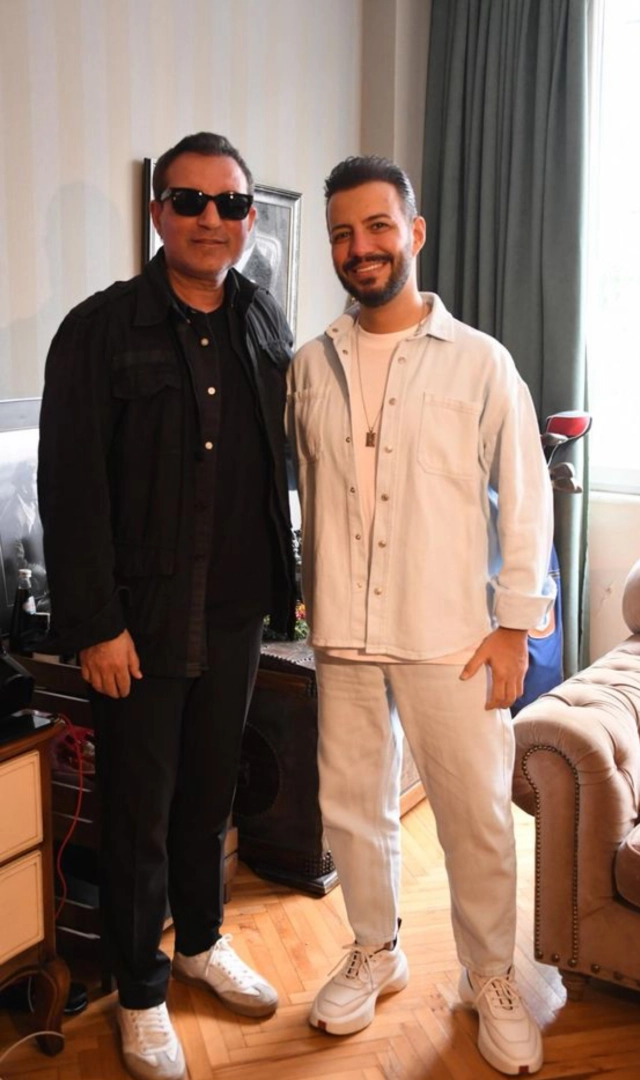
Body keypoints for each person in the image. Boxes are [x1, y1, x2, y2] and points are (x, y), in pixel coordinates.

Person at [287, 156, 555, 1077]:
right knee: (351, 808)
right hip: (344, 635)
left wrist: (516, 625)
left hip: (455, 637)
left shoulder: (481, 362)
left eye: (376, 226)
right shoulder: (308, 366)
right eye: (341, 233)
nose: (358, 247)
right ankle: (376, 948)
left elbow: (526, 497)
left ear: (415, 232)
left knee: (475, 816)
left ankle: (491, 975)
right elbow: (308, 492)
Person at [38, 132, 296, 1080]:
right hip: (138, 624)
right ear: (158, 213)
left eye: (230, 204)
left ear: (248, 218)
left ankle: (200, 944)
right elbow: (71, 489)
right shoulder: (100, 329)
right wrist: (96, 624)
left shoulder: (262, 320)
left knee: (209, 795)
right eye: (189, 201)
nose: (210, 219)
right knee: (138, 810)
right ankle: (141, 991)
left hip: (235, 614)